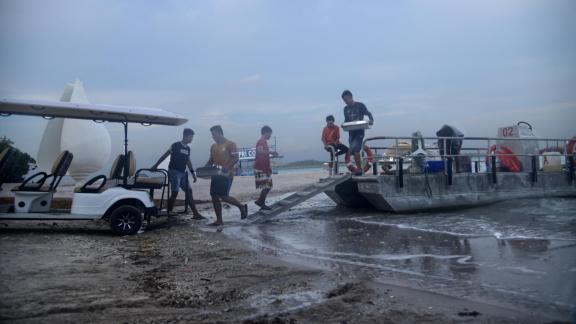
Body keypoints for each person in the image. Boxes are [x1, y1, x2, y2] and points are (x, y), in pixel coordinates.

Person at [151, 128, 205, 219]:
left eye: (192, 137)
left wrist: (193, 173)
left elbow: (188, 161)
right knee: (175, 192)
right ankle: (169, 212)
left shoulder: (188, 148)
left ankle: (196, 213)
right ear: (185, 136)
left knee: (189, 191)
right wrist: (156, 165)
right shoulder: (175, 145)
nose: (192, 139)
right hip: (174, 171)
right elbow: (165, 155)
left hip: (183, 173)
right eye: (191, 137)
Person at [205, 125, 248, 226]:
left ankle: (241, 207)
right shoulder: (213, 146)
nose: (213, 136)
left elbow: (236, 158)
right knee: (214, 196)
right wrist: (205, 168)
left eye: (214, 134)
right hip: (216, 174)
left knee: (223, 196)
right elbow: (211, 160)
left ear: (220, 133)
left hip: (227, 174)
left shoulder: (231, 144)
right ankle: (219, 220)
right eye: (212, 134)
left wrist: (227, 166)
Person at [342, 90, 374, 175]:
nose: (345, 102)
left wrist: (371, 120)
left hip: (359, 131)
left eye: (346, 99)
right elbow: (346, 120)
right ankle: (358, 165)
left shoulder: (360, 105)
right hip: (351, 132)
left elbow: (368, 113)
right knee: (352, 149)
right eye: (344, 101)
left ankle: (359, 170)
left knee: (356, 150)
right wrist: (344, 124)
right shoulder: (345, 109)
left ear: (350, 97)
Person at [254, 125, 278, 210]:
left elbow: (263, 154)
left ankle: (260, 201)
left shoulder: (263, 141)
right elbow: (260, 152)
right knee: (267, 186)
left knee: (267, 186)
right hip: (261, 167)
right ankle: (261, 202)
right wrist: (271, 152)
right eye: (269, 134)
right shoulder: (261, 141)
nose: (270, 136)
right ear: (265, 132)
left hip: (262, 167)